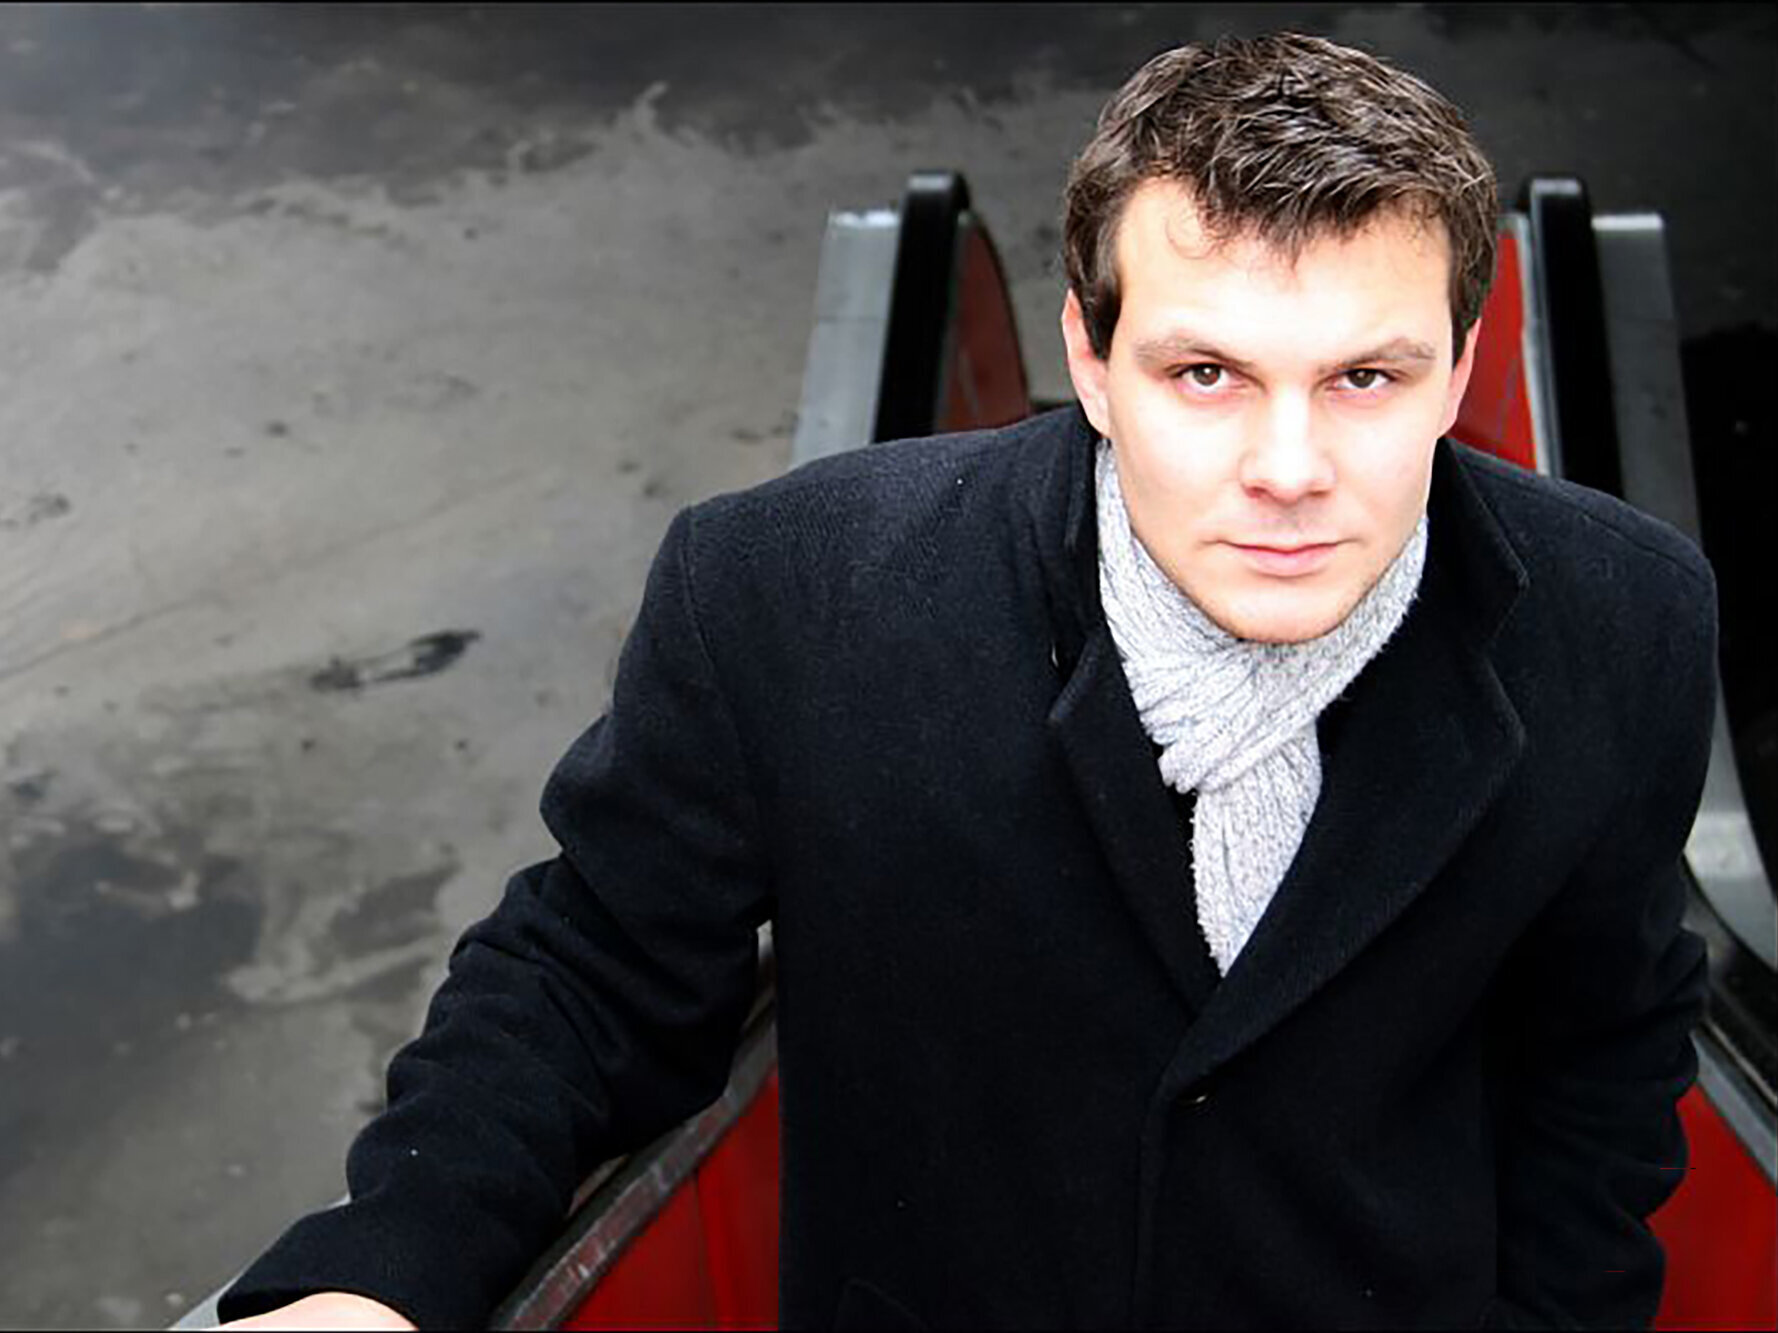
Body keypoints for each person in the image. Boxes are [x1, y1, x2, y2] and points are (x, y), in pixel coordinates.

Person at [215, 33, 1717, 1331]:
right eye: (1206, 374)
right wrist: (378, 1272)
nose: (1287, 468)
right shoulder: (798, 596)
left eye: (1364, 378)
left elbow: (1600, 1054)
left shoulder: (1618, 623)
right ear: (1091, 358)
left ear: (1460, 369)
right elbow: (591, 971)